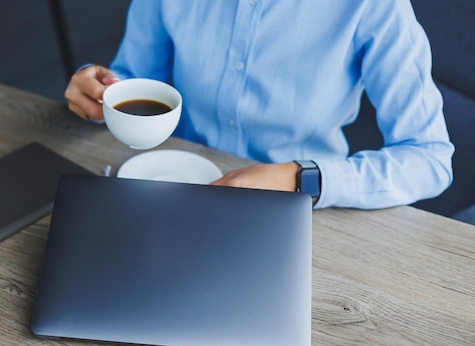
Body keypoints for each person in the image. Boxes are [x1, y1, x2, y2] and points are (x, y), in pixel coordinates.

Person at [64, 0, 454, 209]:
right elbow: (136, 78)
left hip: (295, 209)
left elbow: (429, 159)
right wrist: (99, 89)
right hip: (170, 187)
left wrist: (300, 180)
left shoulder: (376, 6)